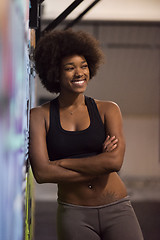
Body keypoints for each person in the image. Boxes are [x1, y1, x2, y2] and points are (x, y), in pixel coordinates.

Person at [29, 29, 143, 240]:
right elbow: (43, 174)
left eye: (84, 66)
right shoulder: (39, 116)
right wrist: (99, 163)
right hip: (74, 214)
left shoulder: (108, 109)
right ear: (55, 72)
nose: (79, 73)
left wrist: (62, 162)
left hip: (117, 209)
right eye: (70, 68)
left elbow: (115, 162)